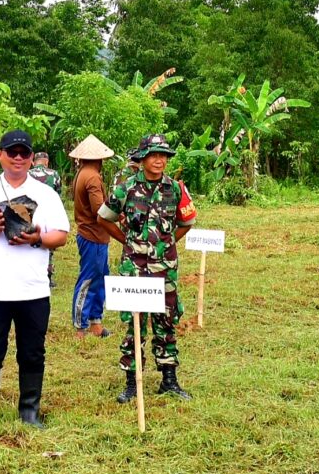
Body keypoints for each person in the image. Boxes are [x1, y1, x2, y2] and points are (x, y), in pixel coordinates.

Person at [0, 130, 70, 438]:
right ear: (0, 156)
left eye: (24, 153)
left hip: (33, 289)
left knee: (32, 352)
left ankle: (29, 411)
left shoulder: (46, 194)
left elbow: (61, 234)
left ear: (32, 158)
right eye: (12, 152)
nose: (18, 158)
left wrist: (37, 239)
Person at [98, 133, 197, 402]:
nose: (159, 160)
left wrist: (165, 245)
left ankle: (169, 380)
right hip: (134, 267)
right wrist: (126, 241)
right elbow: (103, 218)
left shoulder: (175, 189)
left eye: (163, 155)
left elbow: (187, 222)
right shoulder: (126, 188)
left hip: (165, 269)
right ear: (142, 159)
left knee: (166, 322)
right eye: (153, 155)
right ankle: (132, 382)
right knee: (135, 324)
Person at [69, 134, 115, 338]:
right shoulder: (93, 177)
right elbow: (100, 210)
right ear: (99, 159)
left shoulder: (82, 173)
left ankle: (95, 322)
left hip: (93, 235)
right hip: (93, 235)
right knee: (89, 279)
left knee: (100, 278)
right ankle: (81, 325)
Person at [29, 151, 62, 287]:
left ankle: (32, 273)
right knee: (48, 243)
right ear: (46, 161)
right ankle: (47, 277)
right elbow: (58, 195)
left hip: (31, 212)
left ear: (34, 161)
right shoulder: (54, 175)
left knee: (30, 240)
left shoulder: (28, 174)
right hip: (48, 213)